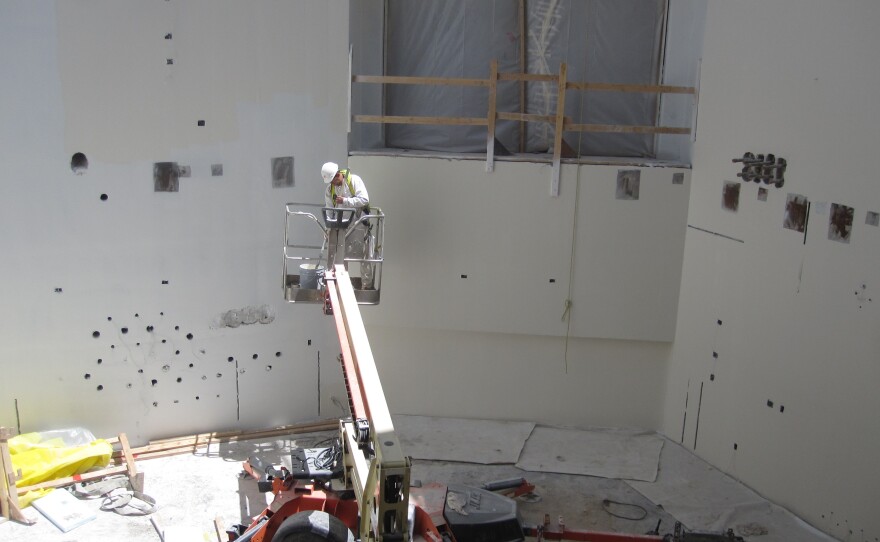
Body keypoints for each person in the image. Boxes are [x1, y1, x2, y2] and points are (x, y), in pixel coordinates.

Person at [320, 162, 374, 288]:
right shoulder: (330, 190)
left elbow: (364, 199)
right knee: (341, 255)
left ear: (338, 175)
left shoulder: (354, 181)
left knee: (363, 255)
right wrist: (328, 228)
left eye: (333, 180)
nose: (332, 183)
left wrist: (345, 201)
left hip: (358, 223)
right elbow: (329, 210)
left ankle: (366, 284)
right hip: (343, 226)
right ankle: (343, 285)